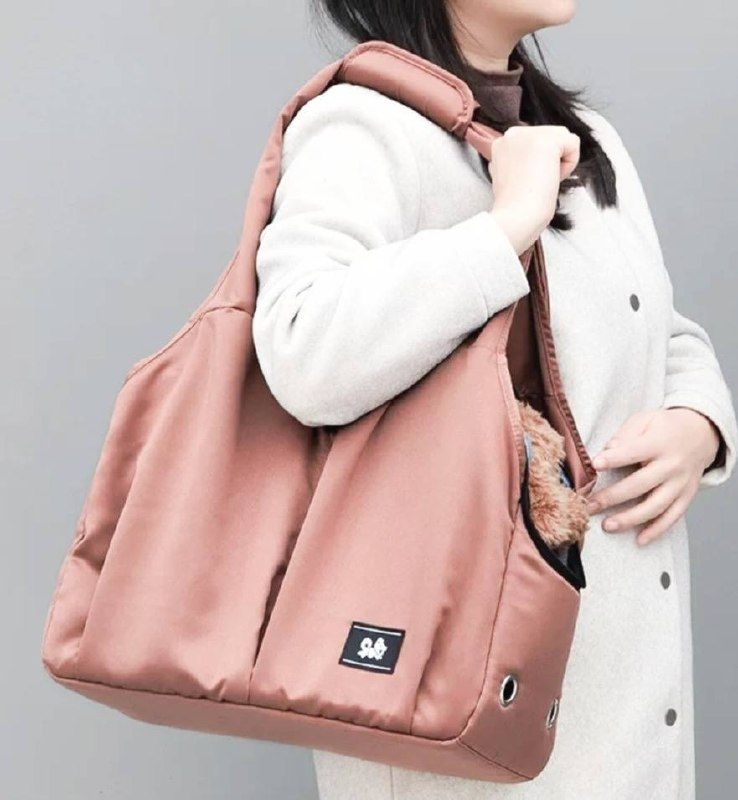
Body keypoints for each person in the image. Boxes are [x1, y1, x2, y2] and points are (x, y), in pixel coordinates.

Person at [252, 1, 738, 797]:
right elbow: (304, 350)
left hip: (623, 694)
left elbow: (658, 328)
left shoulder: (586, 141)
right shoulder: (365, 125)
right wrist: (507, 225)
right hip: (460, 706)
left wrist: (700, 423)